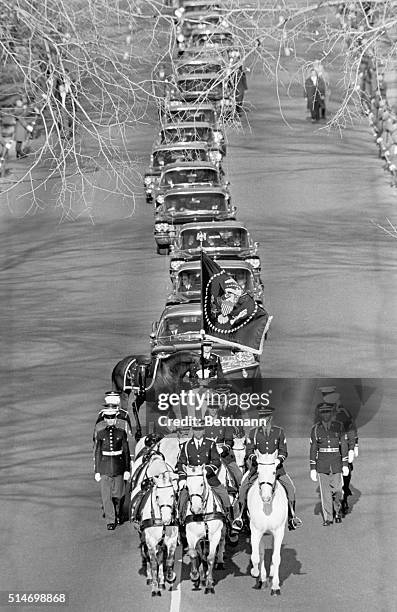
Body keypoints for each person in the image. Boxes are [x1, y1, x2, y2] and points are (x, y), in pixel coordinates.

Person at [232, 406, 302, 531]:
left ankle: (292, 517)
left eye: (265, 416)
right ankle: (241, 518)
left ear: (271, 418)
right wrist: (255, 459)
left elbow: (283, 451)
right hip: (257, 468)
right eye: (261, 416)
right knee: (243, 488)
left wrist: (278, 461)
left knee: (291, 488)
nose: (263, 419)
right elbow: (249, 450)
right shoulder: (253, 432)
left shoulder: (279, 432)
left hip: (276, 468)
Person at [176, 421, 233, 526]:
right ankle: (180, 521)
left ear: (204, 430)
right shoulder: (186, 445)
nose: (198, 432)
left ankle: (229, 519)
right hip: (192, 478)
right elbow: (181, 463)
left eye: (200, 429)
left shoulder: (210, 444)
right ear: (192, 430)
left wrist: (207, 469)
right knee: (182, 497)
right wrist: (182, 478)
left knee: (223, 494)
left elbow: (216, 461)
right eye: (196, 429)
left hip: (208, 476)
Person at [310, 403, 349, 526]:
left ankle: (337, 510)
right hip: (322, 464)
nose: (325, 414)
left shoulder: (339, 426)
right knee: (325, 493)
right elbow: (313, 448)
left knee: (338, 490)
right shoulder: (315, 429)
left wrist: (345, 463)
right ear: (320, 414)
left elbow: (343, 444)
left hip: (336, 462)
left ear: (331, 413)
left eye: (328, 411)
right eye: (323, 412)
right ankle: (328, 517)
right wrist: (312, 467)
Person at [94, 405, 131, 530]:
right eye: (108, 418)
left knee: (119, 495)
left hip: (118, 466)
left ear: (116, 419)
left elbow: (126, 452)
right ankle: (111, 520)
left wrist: (127, 469)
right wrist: (97, 471)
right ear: (105, 419)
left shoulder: (121, 433)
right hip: (104, 468)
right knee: (106, 496)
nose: (110, 420)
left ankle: (118, 514)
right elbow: (98, 452)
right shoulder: (100, 433)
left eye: (112, 418)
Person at [204, 397, 242, 491]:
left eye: (215, 407)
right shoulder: (202, 423)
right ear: (208, 408)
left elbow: (229, 441)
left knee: (238, 473)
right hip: (206, 454)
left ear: (218, 408)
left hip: (222, 453)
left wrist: (223, 449)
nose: (213, 409)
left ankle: (241, 493)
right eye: (210, 407)